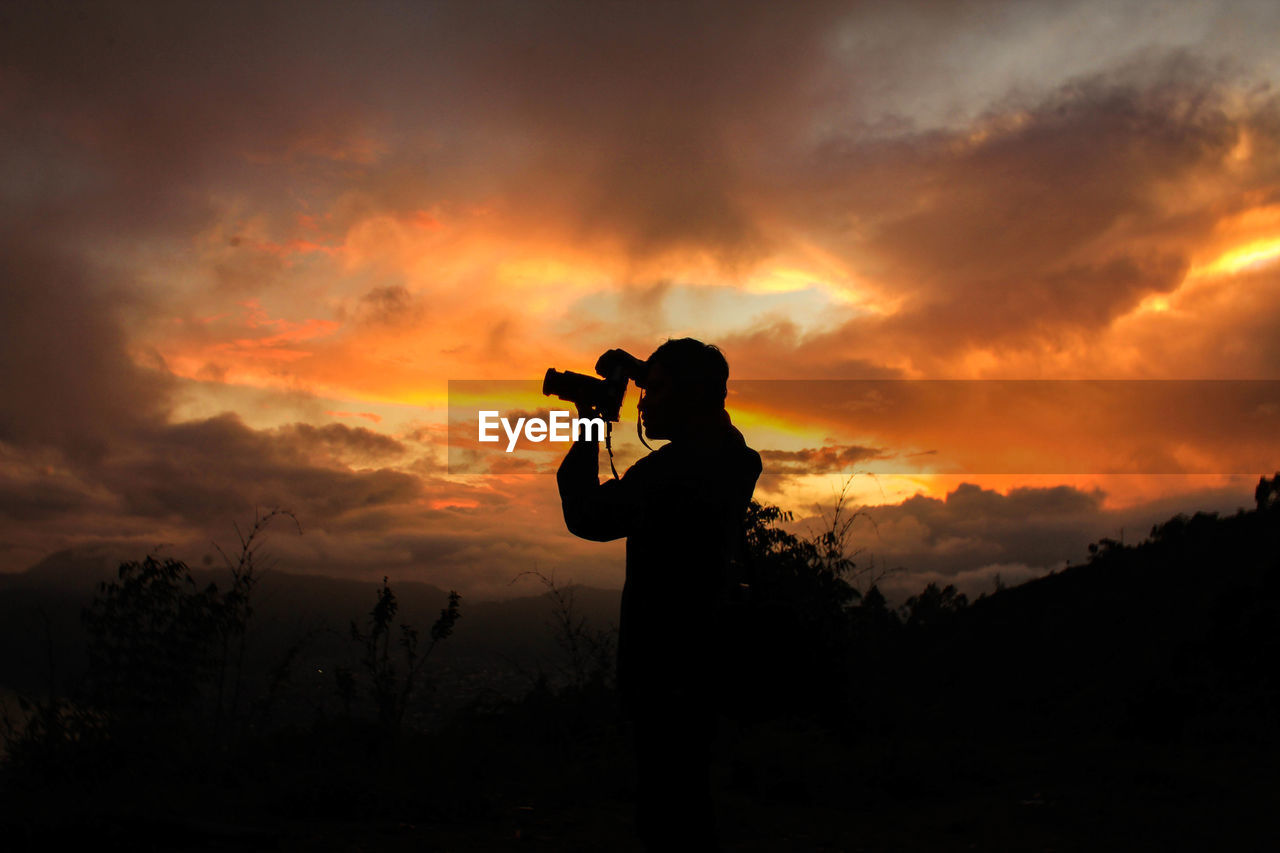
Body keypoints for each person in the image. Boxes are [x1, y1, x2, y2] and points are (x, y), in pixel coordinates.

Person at [557, 338, 762, 850]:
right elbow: (714, 419)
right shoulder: (732, 458)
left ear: (691, 396)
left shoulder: (670, 473)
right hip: (707, 658)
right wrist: (643, 373)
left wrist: (590, 424)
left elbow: (587, 516)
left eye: (657, 390)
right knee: (690, 798)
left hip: (665, 664)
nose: (645, 402)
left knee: (667, 810)